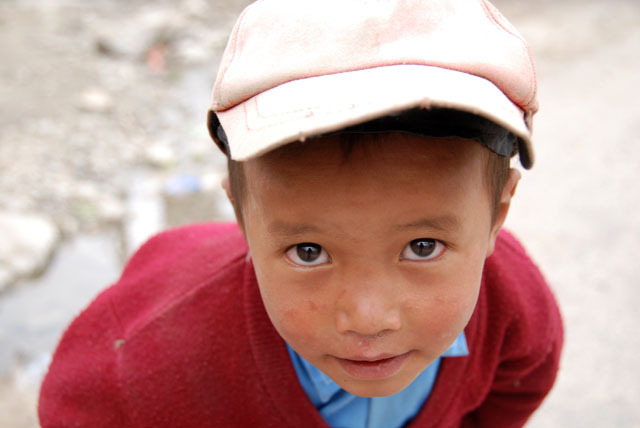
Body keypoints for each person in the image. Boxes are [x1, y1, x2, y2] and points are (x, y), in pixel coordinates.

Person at [38, 0, 563, 427]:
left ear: (496, 215)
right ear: (242, 217)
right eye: (308, 252)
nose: (368, 318)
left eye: (422, 247)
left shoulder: (513, 306)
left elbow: (521, 384)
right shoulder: (146, 365)